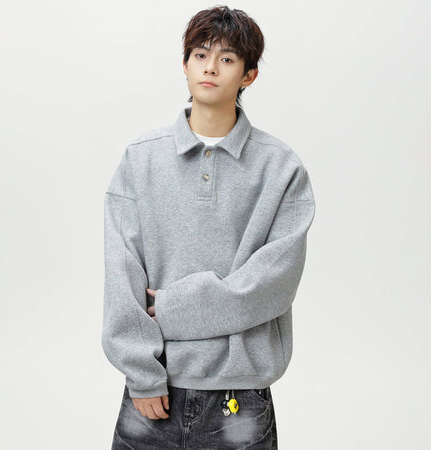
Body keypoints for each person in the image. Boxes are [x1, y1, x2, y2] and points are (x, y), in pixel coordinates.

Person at [102, 5, 316, 449]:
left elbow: (273, 283)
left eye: (227, 58)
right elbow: (122, 270)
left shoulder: (280, 168)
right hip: (153, 390)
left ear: (248, 76)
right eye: (200, 55)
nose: (211, 68)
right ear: (185, 65)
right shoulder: (141, 159)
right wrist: (142, 373)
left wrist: (176, 308)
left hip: (240, 394)